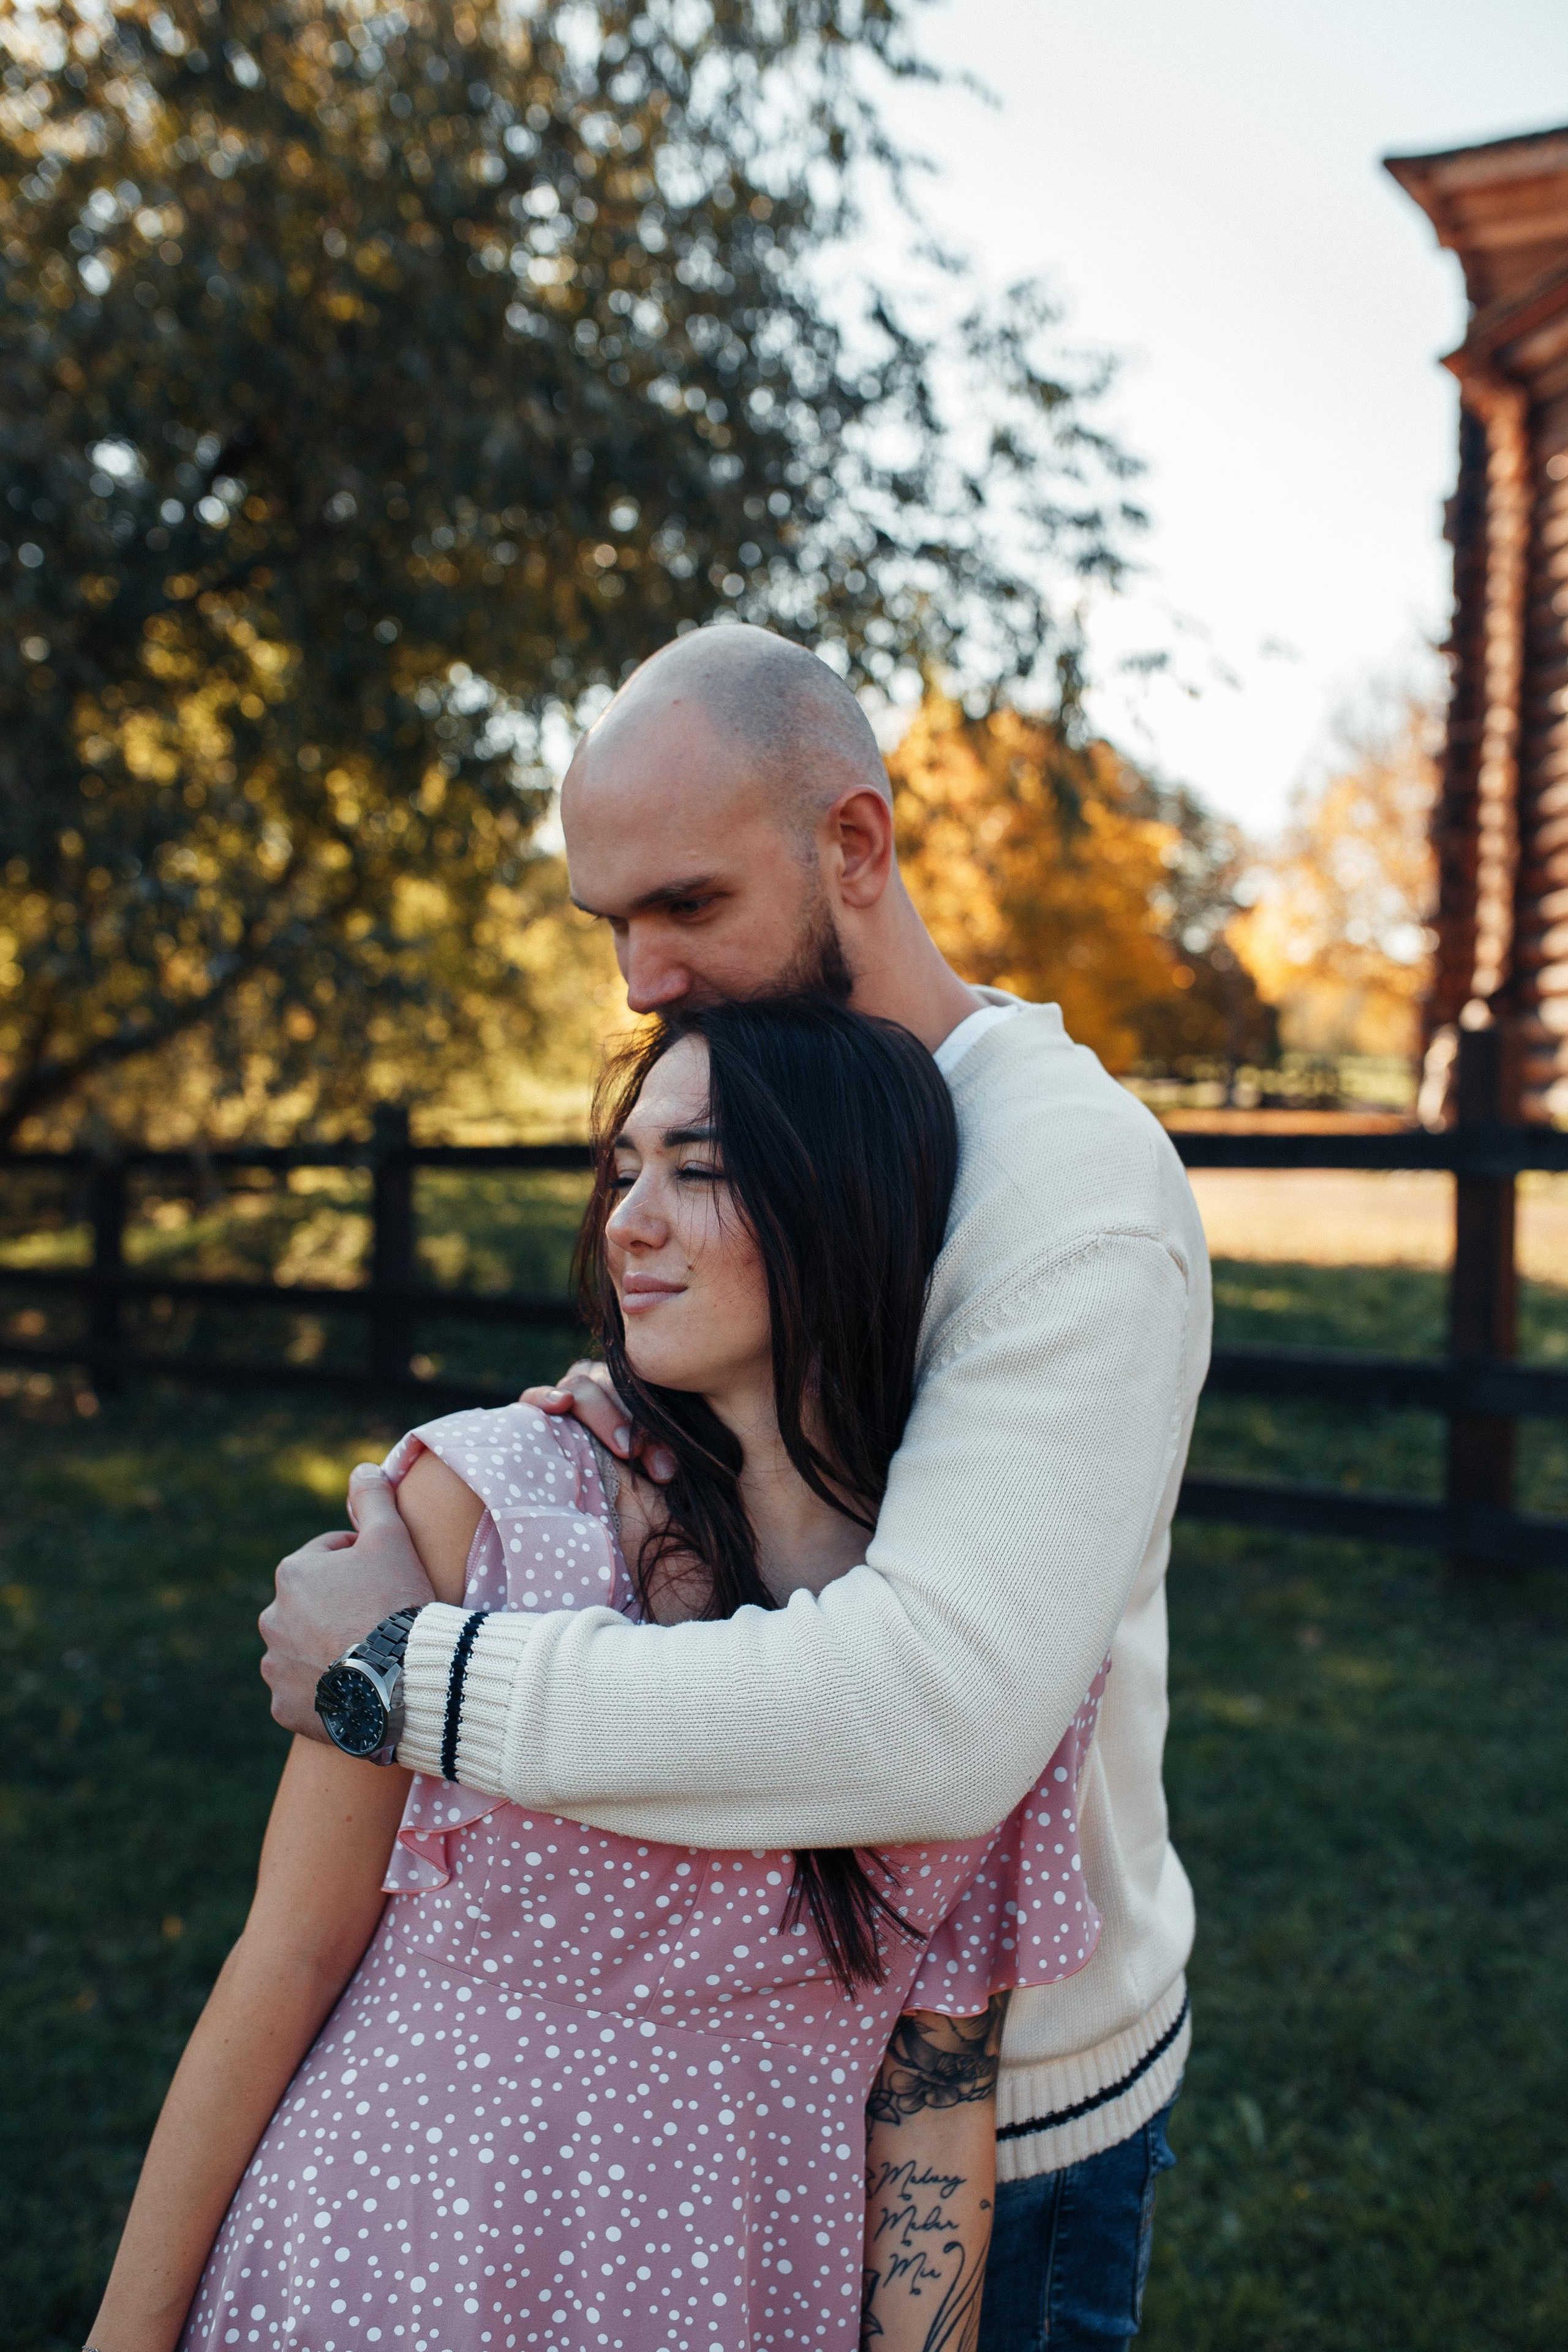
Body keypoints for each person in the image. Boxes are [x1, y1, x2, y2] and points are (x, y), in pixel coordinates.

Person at [260, 623, 1212, 2348]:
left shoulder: (1067, 1191)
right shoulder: (780, 1139)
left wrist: (414, 1672)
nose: (639, 977)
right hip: (707, 2114)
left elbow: (933, 1718)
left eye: (687, 906)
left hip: (995, 2123)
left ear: (854, 847)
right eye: (609, 921)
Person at [87, 998, 1110, 2352]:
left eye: (698, 1170)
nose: (628, 1219)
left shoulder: (986, 1613)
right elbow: (289, 1950)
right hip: (401, 2255)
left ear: (848, 1203)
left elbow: (930, 2091)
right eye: (623, 1170)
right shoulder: (493, 1504)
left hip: (741, 2289)